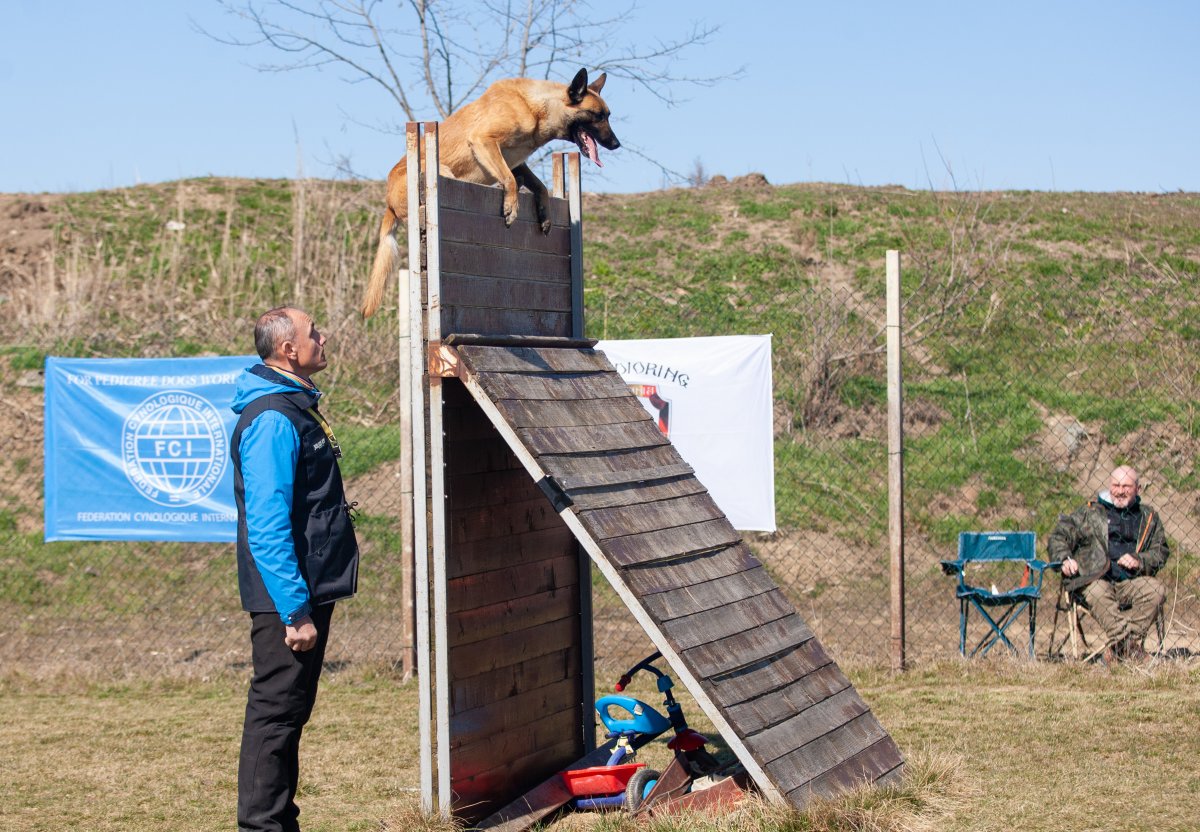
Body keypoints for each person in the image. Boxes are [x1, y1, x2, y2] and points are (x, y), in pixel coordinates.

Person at [230, 306, 359, 832]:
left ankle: (279, 820)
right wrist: (294, 608)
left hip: (302, 589)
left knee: (288, 715)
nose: (322, 338)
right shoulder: (272, 417)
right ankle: (262, 826)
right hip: (288, 596)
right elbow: (266, 522)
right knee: (275, 715)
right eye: (314, 334)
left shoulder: (293, 406)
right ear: (289, 350)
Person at [1048, 465, 1168, 663]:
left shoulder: (1149, 517)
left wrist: (1140, 560)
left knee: (1156, 590)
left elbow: (1160, 552)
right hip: (1095, 578)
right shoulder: (1090, 512)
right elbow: (1059, 536)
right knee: (1097, 591)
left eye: (1126, 486)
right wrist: (1064, 558)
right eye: (1116, 485)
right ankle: (1129, 647)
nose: (1120, 491)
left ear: (1138, 489)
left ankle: (1120, 648)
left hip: (1131, 581)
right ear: (1109, 486)